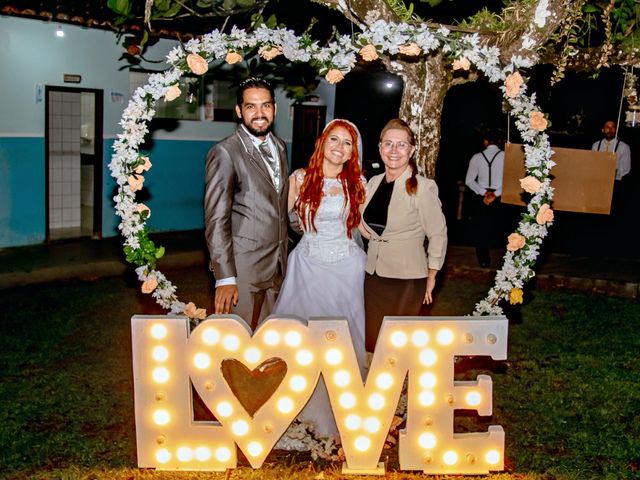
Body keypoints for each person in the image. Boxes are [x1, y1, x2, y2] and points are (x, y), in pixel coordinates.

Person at [273, 119, 366, 440]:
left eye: (348, 143)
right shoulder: (299, 179)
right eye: (335, 139)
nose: (340, 147)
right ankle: (293, 411)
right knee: (300, 335)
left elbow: (365, 227)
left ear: (353, 152)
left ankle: (344, 414)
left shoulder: (357, 183)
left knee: (344, 338)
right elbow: (278, 224)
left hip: (346, 268)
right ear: (323, 142)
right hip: (307, 267)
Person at [204, 77, 289, 330]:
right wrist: (225, 276)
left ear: (275, 108)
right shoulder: (226, 152)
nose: (260, 113)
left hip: (277, 265)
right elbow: (216, 219)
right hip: (243, 270)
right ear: (239, 111)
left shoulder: (281, 148)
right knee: (235, 343)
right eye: (251, 107)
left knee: (267, 342)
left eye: (265, 105)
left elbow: (277, 205)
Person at [361, 118, 447, 353]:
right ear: (380, 148)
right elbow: (365, 225)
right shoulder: (374, 182)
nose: (394, 150)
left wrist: (432, 275)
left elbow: (438, 234)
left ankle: (398, 387)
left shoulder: (422, 187)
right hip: (373, 275)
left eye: (401, 145)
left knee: (395, 345)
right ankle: (374, 388)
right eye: (388, 144)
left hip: (407, 278)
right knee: (372, 340)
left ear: (412, 150)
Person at [464, 130, 505, 268]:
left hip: (482, 198)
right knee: (501, 227)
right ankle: (505, 261)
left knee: (481, 229)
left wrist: (484, 193)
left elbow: (469, 180)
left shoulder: (477, 157)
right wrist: (496, 194)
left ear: (485, 141)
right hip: (499, 197)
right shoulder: (506, 157)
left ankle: (483, 260)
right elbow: (511, 179)